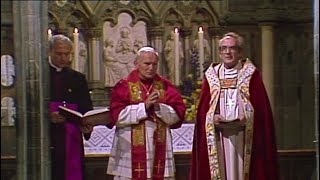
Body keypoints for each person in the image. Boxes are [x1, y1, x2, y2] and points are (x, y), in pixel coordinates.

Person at [190, 32, 279, 180]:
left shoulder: (251, 74)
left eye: (232, 48)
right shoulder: (211, 75)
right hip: (218, 135)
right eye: (224, 48)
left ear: (240, 52)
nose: (227, 52)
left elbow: (262, 111)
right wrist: (212, 117)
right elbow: (203, 111)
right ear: (219, 52)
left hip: (244, 136)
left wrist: (248, 117)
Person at [107, 46, 186, 179]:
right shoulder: (124, 85)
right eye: (147, 64)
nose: (151, 68)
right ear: (136, 63)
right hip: (130, 151)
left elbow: (178, 115)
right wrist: (144, 107)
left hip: (160, 147)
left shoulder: (165, 86)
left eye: (154, 64)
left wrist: (158, 108)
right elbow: (117, 116)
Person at [48, 34, 94, 180]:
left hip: (71, 135)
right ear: (50, 52)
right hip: (48, 136)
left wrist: (88, 125)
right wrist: (48, 116)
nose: (63, 58)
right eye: (59, 54)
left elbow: (86, 109)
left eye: (67, 54)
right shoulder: (40, 76)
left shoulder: (78, 78)